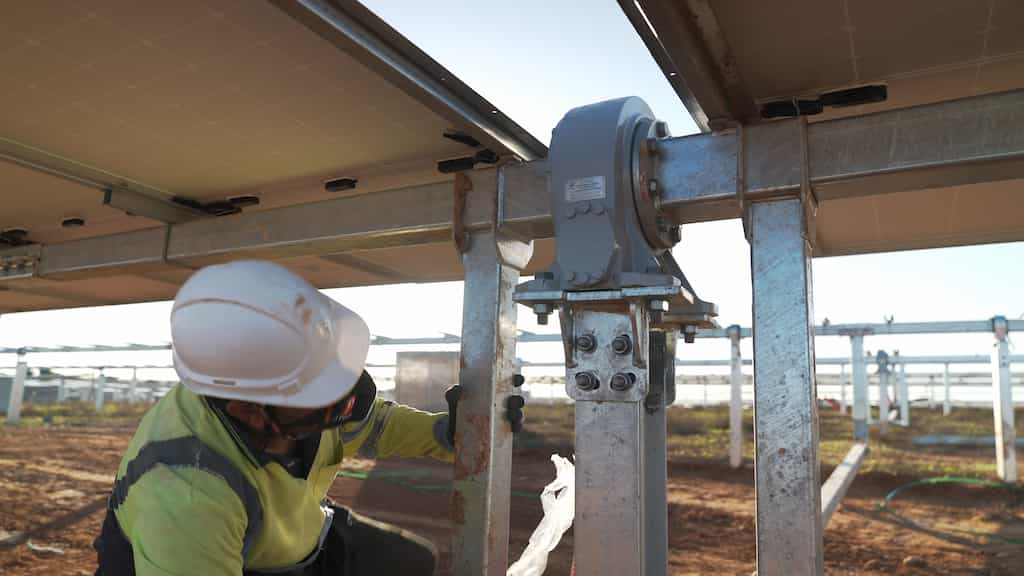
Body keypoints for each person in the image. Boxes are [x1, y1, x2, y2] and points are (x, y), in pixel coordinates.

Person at [93, 260, 461, 575]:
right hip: (225, 558)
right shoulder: (187, 497)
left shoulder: (290, 395)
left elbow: (373, 424)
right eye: (319, 393)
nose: (341, 402)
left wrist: (451, 433)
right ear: (247, 412)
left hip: (294, 539)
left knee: (409, 561)